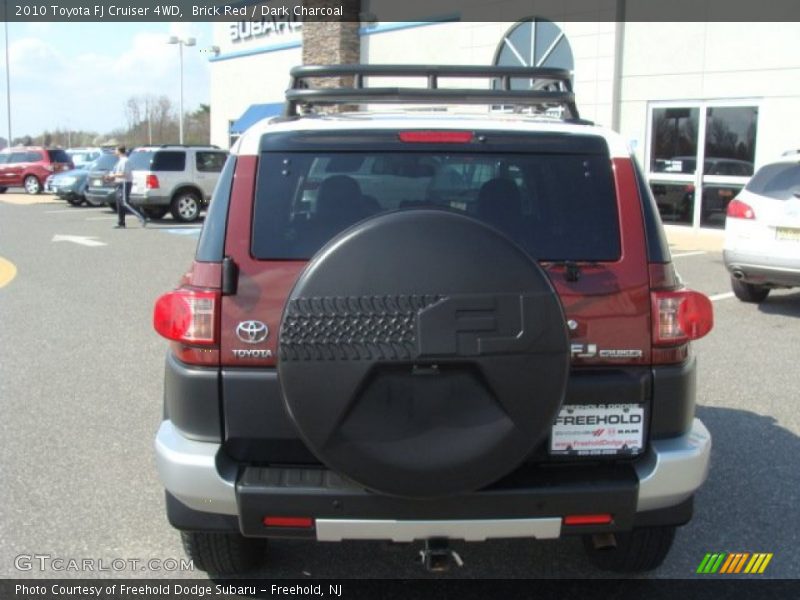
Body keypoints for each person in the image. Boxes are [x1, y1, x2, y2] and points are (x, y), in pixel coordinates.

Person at [108, 146, 147, 228]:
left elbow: (124, 174)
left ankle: (142, 216)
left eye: (116, 150)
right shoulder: (119, 161)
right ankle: (121, 222)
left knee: (125, 202)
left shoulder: (125, 161)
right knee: (119, 203)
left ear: (119, 151)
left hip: (125, 183)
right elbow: (116, 173)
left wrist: (113, 175)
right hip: (119, 183)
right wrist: (111, 177)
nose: (114, 152)